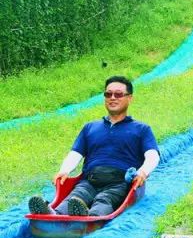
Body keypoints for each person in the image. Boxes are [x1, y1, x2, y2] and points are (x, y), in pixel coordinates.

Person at [28, 76, 160, 217]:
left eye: (118, 94)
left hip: (119, 183)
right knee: (77, 196)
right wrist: (64, 170)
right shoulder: (90, 127)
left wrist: (143, 172)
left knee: (104, 200)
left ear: (130, 98)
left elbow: (153, 155)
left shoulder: (141, 129)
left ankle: (90, 217)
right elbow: (76, 153)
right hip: (90, 180)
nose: (112, 98)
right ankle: (52, 214)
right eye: (108, 94)